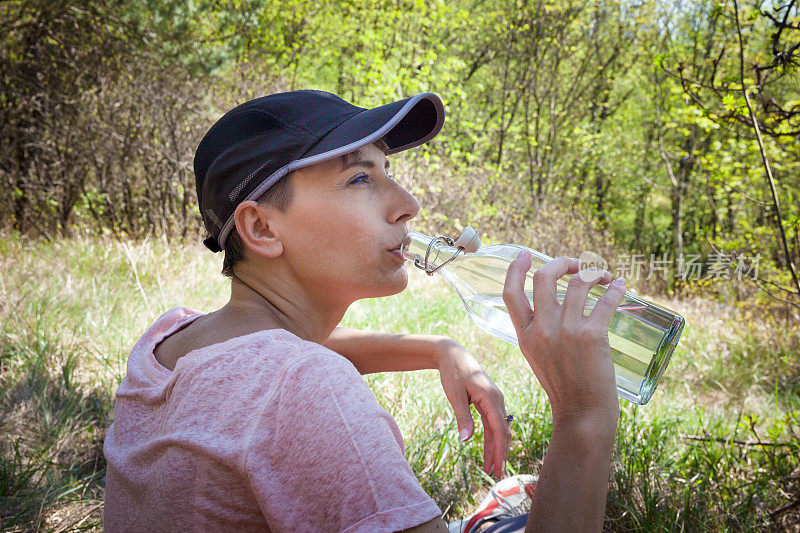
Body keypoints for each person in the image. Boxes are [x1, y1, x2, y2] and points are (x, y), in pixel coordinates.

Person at [102, 90, 626, 532]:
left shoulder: (171, 338)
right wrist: (584, 418)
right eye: (359, 179)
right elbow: (292, 376)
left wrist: (437, 348)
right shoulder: (304, 386)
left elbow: (261, 369)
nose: (408, 203)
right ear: (261, 228)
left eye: (388, 170)